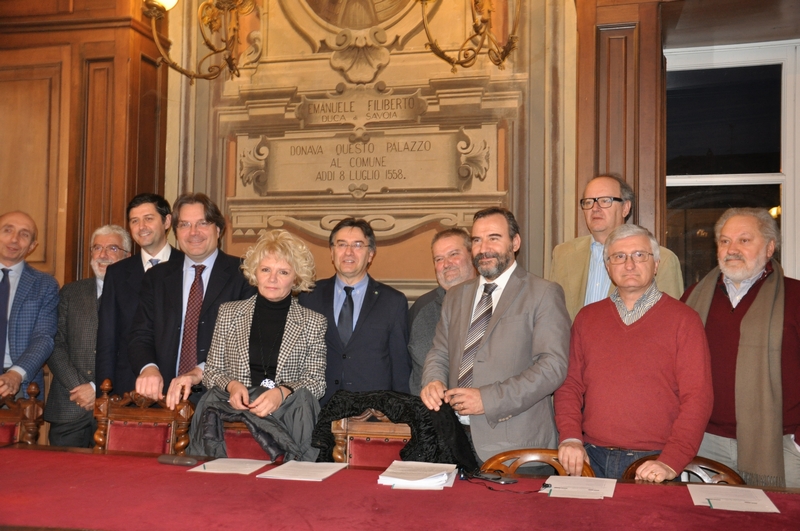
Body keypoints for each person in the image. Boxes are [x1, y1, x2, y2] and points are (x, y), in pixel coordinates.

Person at [555, 224, 713, 481]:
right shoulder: (587, 319)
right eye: (618, 257)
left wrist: (671, 461)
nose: (629, 264)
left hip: (656, 461)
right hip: (590, 458)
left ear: (656, 264)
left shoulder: (684, 320)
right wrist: (571, 437)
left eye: (640, 255)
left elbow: (698, 398)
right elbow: (569, 385)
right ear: (608, 267)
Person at [421, 207, 570, 462]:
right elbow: (440, 352)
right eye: (477, 240)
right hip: (455, 442)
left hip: (517, 450)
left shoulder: (544, 293)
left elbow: (552, 367)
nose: (483, 248)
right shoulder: (456, 296)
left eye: (494, 238)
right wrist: (433, 380)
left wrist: (488, 400)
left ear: (515, 242)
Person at [682, 207, 800, 487]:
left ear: (770, 247)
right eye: (724, 241)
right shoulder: (692, 297)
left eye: (744, 240)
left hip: (779, 445)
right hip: (704, 443)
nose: (732, 249)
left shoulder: (795, 298)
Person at [189, 230, 326, 460]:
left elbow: (316, 382)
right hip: (234, 405)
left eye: (282, 272)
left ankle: (299, 477)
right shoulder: (229, 313)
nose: (272, 279)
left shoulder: (313, 322)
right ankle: (208, 472)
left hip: (285, 409)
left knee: (304, 401)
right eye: (266, 270)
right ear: (255, 273)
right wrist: (232, 386)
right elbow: (211, 372)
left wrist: (281, 393)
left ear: (295, 278)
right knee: (210, 396)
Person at [128, 193, 255, 407]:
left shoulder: (245, 274)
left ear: (218, 229)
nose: (193, 232)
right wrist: (148, 367)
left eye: (202, 223)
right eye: (185, 224)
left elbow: (244, 343)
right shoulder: (157, 277)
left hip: (221, 400)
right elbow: (140, 334)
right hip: (163, 400)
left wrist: (199, 372)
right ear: (175, 232)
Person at [299, 218, 409, 404]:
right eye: (341, 245)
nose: (348, 252)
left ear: (371, 254)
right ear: (332, 252)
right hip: (318, 408)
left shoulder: (393, 301)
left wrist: (400, 414)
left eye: (358, 245)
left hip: (373, 411)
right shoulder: (309, 296)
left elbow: (400, 367)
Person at [549, 175, 683, 321]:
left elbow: (671, 320)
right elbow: (553, 316)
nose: (595, 208)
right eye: (588, 202)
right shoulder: (563, 254)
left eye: (605, 201)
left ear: (625, 208)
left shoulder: (660, 259)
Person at [44, 225, 130, 447]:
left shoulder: (139, 295)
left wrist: (96, 388)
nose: (103, 255)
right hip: (70, 406)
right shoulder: (71, 292)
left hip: (119, 408)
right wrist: (79, 386)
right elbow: (54, 342)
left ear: (127, 256)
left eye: (112, 248)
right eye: (97, 248)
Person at [96, 193, 182, 396]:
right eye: (135, 221)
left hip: (178, 386)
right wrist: (104, 395)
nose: (141, 227)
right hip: (127, 387)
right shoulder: (117, 273)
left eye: (149, 219)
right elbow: (107, 339)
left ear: (167, 221)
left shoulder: (187, 266)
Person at [408, 228, 475, 396]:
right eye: (439, 259)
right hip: (434, 415)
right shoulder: (422, 309)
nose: (446, 264)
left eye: (453, 254)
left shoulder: (496, 301)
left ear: (473, 256)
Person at [0, 211, 58, 399]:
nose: (14, 239)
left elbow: (44, 337)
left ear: (33, 246)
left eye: (24, 234)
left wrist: (16, 374)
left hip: (20, 384)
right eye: (7, 230)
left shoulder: (45, 285)